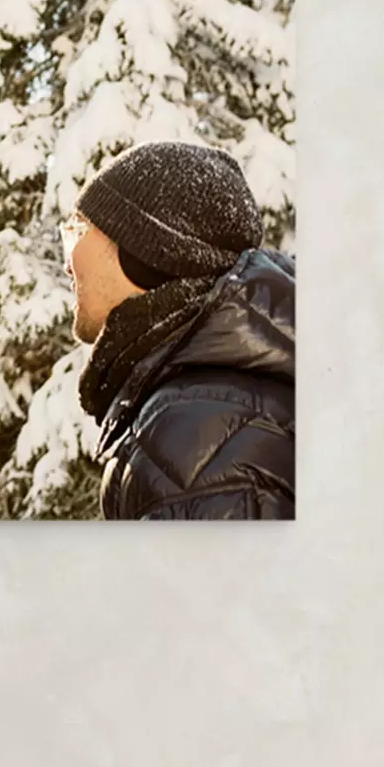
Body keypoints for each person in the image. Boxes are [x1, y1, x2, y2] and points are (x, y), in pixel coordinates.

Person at [61, 142, 296, 520]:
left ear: (143, 252)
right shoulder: (215, 408)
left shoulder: (194, 443)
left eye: (77, 231)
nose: (67, 266)